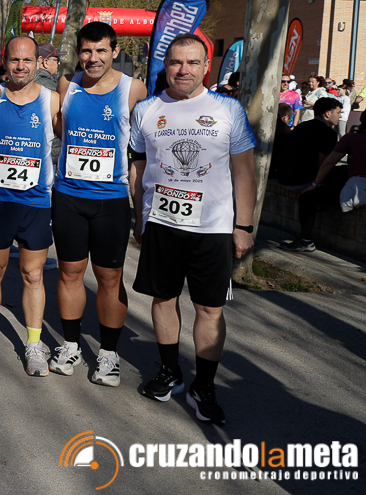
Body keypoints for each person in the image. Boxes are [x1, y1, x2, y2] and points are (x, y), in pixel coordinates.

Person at [130, 34, 257, 426]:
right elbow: (137, 167)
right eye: (175, 62)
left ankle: (204, 385)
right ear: (165, 65)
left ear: (206, 66)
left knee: (209, 308)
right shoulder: (146, 110)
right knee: (163, 299)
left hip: (213, 228)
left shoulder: (228, 109)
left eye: (192, 62)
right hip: (162, 222)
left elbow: (245, 170)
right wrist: (138, 216)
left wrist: (244, 226)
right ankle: (170, 371)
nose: (183, 70)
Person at [49, 21, 147, 386]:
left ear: (115, 51)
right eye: (87, 51)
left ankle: (108, 354)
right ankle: (71, 345)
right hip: (69, 197)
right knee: (70, 273)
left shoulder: (133, 89)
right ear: (78, 53)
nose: (93, 58)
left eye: (101, 50)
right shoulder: (67, 84)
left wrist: (142, 209)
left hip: (111, 201)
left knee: (109, 278)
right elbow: (57, 128)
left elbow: (141, 153)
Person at [0, 36, 60, 375]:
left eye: (27, 60)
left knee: (33, 274)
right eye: (14, 60)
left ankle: (34, 344)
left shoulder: (52, 100)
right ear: (5, 61)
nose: (21, 66)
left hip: (36, 202)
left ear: (38, 62)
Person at [281, 96, 343, 252]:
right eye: (338, 112)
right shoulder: (327, 133)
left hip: (285, 177)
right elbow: (323, 166)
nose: (340, 116)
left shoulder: (302, 126)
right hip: (302, 181)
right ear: (327, 114)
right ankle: (306, 240)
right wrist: (316, 184)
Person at [307, 119, 366, 212]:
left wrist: (315, 184)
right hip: (356, 186)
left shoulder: (351, 138)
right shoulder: (351, 138)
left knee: (307, 197)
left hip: (355, 186)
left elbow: (329, 163)